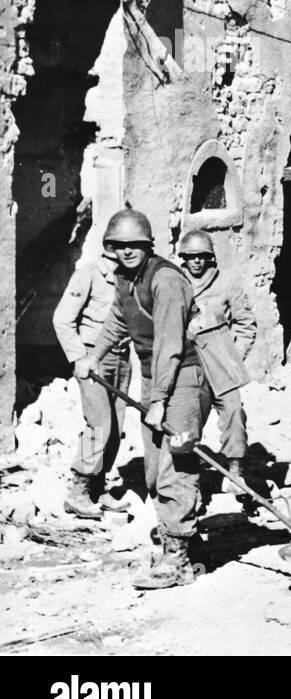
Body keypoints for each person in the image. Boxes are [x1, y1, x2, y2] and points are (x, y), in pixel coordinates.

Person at [73, 209, 206, 589]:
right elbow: (118, 318)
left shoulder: (165, 280)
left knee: (174, 465)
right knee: (153, 468)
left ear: (147, 246)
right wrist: (93, 355)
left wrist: (160, 399)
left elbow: (168, 345)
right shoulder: (125, 278)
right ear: (111, 248)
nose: (127, 252)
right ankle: (187, 546)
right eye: (119, 245)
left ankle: (178, 559)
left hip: (181, 378)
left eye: (134, 245)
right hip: (155, 380)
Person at [53, 243, 132, 519]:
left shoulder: (128, 275)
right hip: (92, 357)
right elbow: (62, 320)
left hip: (122, 357)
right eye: (126, 245)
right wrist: (78, 358)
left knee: (117, 426)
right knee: (100, 424)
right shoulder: (88, 274)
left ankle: (98, 488)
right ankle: (79, 492)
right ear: (112, 246)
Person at [177, 231, 256, 498]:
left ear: (209, 258)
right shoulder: (175, 283)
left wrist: (235, 356)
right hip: (189, 362)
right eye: (190, 257)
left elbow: (246, 324)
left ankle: (235, 472)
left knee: (234, 413)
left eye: (201, 257)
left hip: (221, 360)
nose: (196, 263)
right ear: (183, 258)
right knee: (188, 421)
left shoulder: (226, 282)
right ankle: (188, 482)